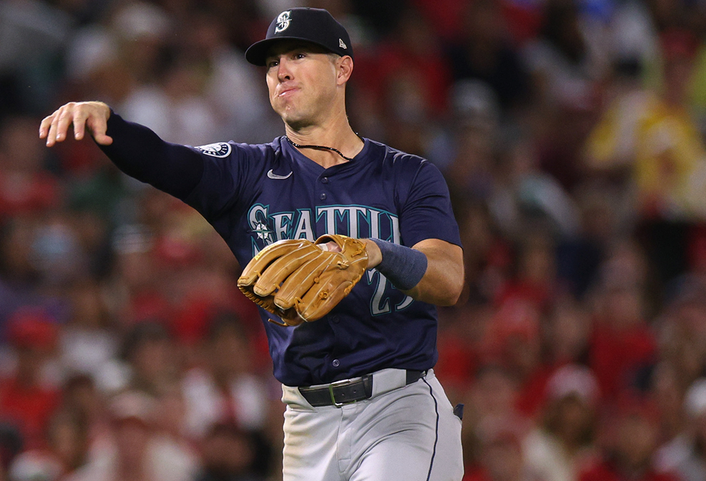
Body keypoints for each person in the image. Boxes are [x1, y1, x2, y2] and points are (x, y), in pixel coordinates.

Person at [39, 8, 465, 481]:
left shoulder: (407, 175)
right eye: (272, 62)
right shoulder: (247, 173)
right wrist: (110, 125)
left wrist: (375, 251)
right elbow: (166, 160)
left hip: (398, 409)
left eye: (299, 55)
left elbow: (447, 279)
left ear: (342, 68)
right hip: (306, 422)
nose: (281, 69)